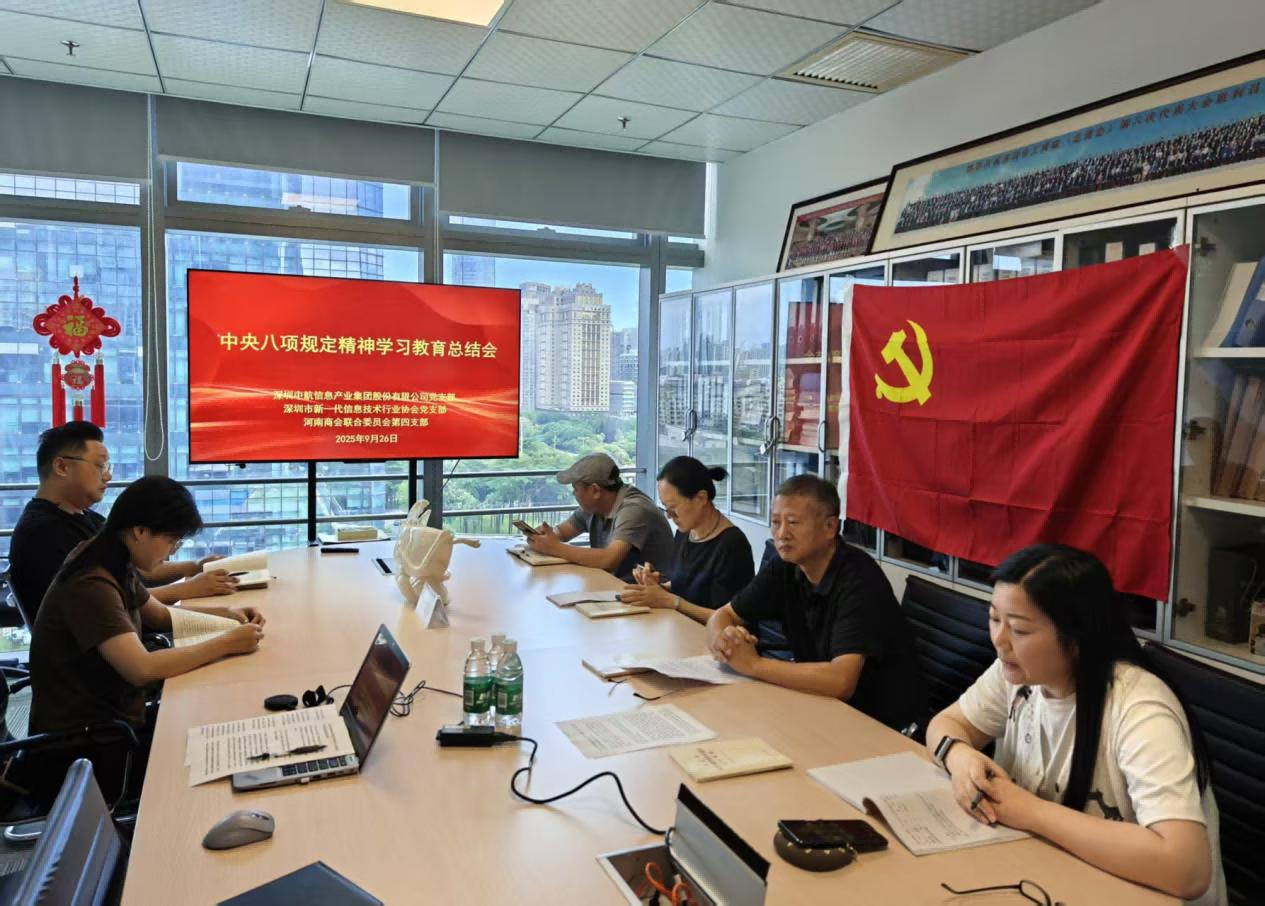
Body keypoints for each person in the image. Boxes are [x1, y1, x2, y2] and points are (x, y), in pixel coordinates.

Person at [925, 545, 1224, 904]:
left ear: (1077, 637)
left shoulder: (1140, 710)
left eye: (1019, 629)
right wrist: (960, 758)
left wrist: (1030, 811)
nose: (999, 640)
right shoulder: (1019, 672)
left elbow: (1187, 869)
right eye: (994, 619)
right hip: (1055, 875)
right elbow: (947, 723)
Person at [27, 475, 264, 801]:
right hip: (87, 747)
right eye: (171, 541)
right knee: (222, 748)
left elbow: (157, 614)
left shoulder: (110, 556)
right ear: (139, 531)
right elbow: (142, 669)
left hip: (115, 718)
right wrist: (227, 643)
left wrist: (226, 617)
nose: (171, 552)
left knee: (220, 719)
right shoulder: (91, 584)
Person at [705, 474, 925, 731]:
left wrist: (753, 665)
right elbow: (722, 615)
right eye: (776, 522)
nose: (782, 534)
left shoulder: (859, 580)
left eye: (793, 523)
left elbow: (841, 681)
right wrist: (724, 641)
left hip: (878, 723)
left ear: (830, 527)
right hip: (818, 704)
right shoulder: (785, 565)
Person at [8, 422, 237, 623]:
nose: (108, 476)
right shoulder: (45, 534)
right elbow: (108, 603)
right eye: (100, 466)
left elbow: (135, 569)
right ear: (62, 467)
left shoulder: (84, 517)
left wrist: (195, 567)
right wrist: (190, 588)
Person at [619, 456, 753, 625]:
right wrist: (658, 588)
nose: (669, 515)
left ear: (701, 498)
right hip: (682, 628)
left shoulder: (732, 545)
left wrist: (672, 602)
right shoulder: (685, 533)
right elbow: (683, 588)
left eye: (673, 507)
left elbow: (732, 618)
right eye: (665, 508)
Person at [527, 452, 674, 581]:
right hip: (616, 585)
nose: (574, 494)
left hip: (651, 594)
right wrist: (545, 536)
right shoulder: (594, 507)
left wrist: (554, 547)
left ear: (595, 491)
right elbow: (562, 532)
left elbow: (609, 560)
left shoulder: (634, 509)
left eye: (576, 489)